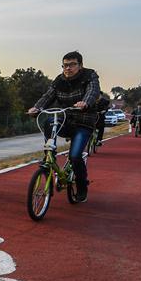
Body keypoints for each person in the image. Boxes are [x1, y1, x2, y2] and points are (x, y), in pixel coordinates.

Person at [27, 51, 101, 202]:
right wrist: (36, 108)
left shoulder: (89, 76)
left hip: (83, 122)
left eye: (72, 65)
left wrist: (85, 102)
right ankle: (49, 156)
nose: (68, 68)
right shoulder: (59, 80)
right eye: (65, 65)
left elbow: (92, 91)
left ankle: (81, 186)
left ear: (80, 65)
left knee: (75, 157)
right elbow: (48, 96)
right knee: (49, 122)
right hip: (65, 119)